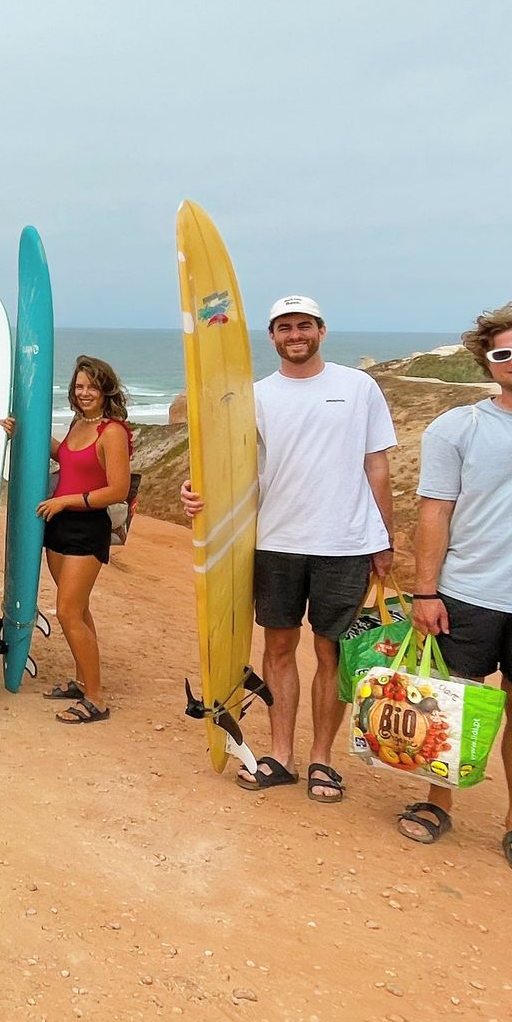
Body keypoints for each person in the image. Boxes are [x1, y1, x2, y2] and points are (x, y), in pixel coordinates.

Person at [182, 296, 396, 797]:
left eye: (303, 325)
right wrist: (197, 495)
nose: (294, 334)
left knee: (332, 653)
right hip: (274, 541)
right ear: (272, 336)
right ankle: (282, 754)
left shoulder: (358, 386)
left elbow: (378, 466)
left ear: (322, 330)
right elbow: (232, 470)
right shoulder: (254, 397)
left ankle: (322, 758)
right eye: (284, 327)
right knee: (278, 647)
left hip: (344, 543)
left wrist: (384, 538)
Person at [399, 305, 512, 881]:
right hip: (464, 592)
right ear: (486, 365)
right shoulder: (459, 426)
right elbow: (435, 512)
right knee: (450, 705)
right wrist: (425, 592)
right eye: (502, 354)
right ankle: (437, 802)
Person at [19, 356, 133, 726]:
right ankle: (85, 682)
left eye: (92, 387)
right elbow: (65, 458)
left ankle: (96, 699)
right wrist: (22, 429)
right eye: (79, 386)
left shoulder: (111, 431)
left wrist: (66, 500)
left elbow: (118, 489)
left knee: (67, 611)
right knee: (79, 611)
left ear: (106, 390)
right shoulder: (79, 424)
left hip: (87, 527)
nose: (85, 393)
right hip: (59, 526)